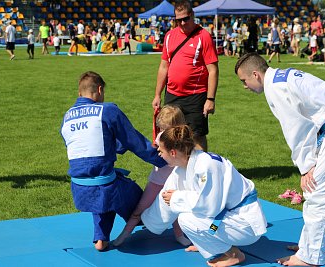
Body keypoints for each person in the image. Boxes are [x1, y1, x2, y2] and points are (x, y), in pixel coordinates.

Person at [235, 52, 325, 266]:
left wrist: (306, 166)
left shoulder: (276, 88)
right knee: (317, 190)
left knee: (319, 191)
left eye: (244, 80)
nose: (245, 86)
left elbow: (297, 129)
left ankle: (310, 256)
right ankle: (314, 244)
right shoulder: (280, 77)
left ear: (255, 74)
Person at [60, 71, 167, 252]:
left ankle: (100, 238)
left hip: (78, 189)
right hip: (105, 186)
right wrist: (165, 159)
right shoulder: (108, 110)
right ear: (100, 90)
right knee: (124, 189)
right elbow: (136, 143)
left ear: (79, 93)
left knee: (102, 185)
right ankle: (145, 221)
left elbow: (86, 146)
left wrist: (116, 145)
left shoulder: (67, 117)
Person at [141, 125, 267, 267]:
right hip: (225, 217)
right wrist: (144, 220)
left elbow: (209, 206)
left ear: (173, 152)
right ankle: (208, 244)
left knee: (186, 218)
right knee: (185, 210)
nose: (159, 154)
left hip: (244, 223)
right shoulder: (182, 168)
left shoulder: (207, 166)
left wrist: (177, 198)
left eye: (161, 150)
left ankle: (234, 255)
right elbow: (166, 198)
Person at [113, 105, 191, 247]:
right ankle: (125, 234)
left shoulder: (182, 141)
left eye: (165, 128)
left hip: (173, 182)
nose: (162, 131)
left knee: (175, 210)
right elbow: (154, 152)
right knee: (140, 208)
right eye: (161, 128)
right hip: (157, 181)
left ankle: (179, 235)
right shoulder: (162, 137)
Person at [151, 0, 218, 152]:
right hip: (172, 95)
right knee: (170, 134)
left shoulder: (204, 36)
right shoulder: (169, 36)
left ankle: (201, 170)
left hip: (196, 96)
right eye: (178, 20)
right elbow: (163, 67)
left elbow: (213, 70)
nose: (182, 23)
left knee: (197, 136)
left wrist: (210, 99)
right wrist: (157, 95)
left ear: (192, 15)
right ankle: (176, 169)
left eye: (185, 18)